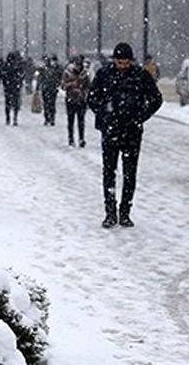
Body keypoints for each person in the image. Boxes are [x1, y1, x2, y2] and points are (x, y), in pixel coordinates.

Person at [88, 42, 163, 228]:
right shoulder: (104, 75)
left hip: (132, 131)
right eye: (119, 62)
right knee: (109, 172)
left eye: (125, 63)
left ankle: (125, 212)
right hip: (111, 131)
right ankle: (110, 212)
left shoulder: (140, 76)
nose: (122, 66)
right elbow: (92, 97)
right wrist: (104, 114)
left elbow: (156, 98)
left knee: (129, 174)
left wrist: (140, 116)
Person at [62, 55, 90, 148]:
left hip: (81, 100)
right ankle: (71, 139)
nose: (78, 67)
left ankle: (81, 139)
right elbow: (63, 86)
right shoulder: (68, 73)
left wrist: (83, 92)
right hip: (71, 99)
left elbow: (88, 86)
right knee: (71, 120)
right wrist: (71, 85)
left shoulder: (85, 74)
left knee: (81, 121)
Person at [39, 55, 63, 127]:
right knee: (49, 104)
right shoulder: (53, 69)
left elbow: (40, 78)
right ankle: (50, 118)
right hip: (49, 88)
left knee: (49, 104)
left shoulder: (47, 69)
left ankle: (49, 118)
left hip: (49, 88)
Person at [3, 52, 25, 126]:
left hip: (9, 87)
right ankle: (14, 118)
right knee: (15, 103)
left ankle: (8, 118)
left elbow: (3, 76)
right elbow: (21, 76)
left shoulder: (7, 66)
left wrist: (5, 84)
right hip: (15, 86)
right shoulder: (17, 66)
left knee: (8, 103)